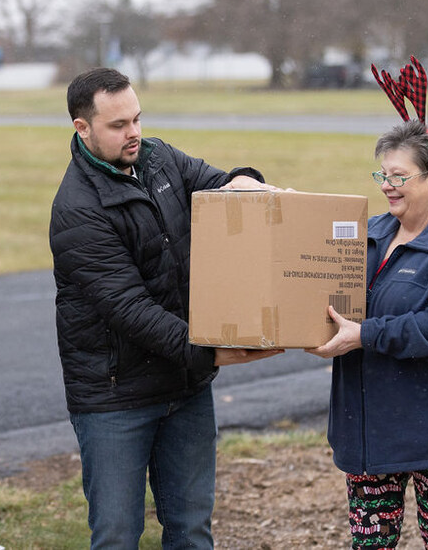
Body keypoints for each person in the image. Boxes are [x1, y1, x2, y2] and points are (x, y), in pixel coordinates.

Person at [49, 67, 281, 548]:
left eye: (136, 118)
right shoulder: (77, 210)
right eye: (118, 125)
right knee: (117, 535)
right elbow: (130, 309)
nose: (133, 132)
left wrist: (250, 185)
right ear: (82, 127)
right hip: (116, 398)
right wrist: (214, 353)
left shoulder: (159, 159)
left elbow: (221, 188)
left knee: (192, 530)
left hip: (186, 389)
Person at [306, 58, 428, 549]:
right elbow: (326, 297)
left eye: (400, 176)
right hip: (369, 432)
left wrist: (365, 335)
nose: (387, 185)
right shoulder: (367, 234)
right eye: (382, 174)